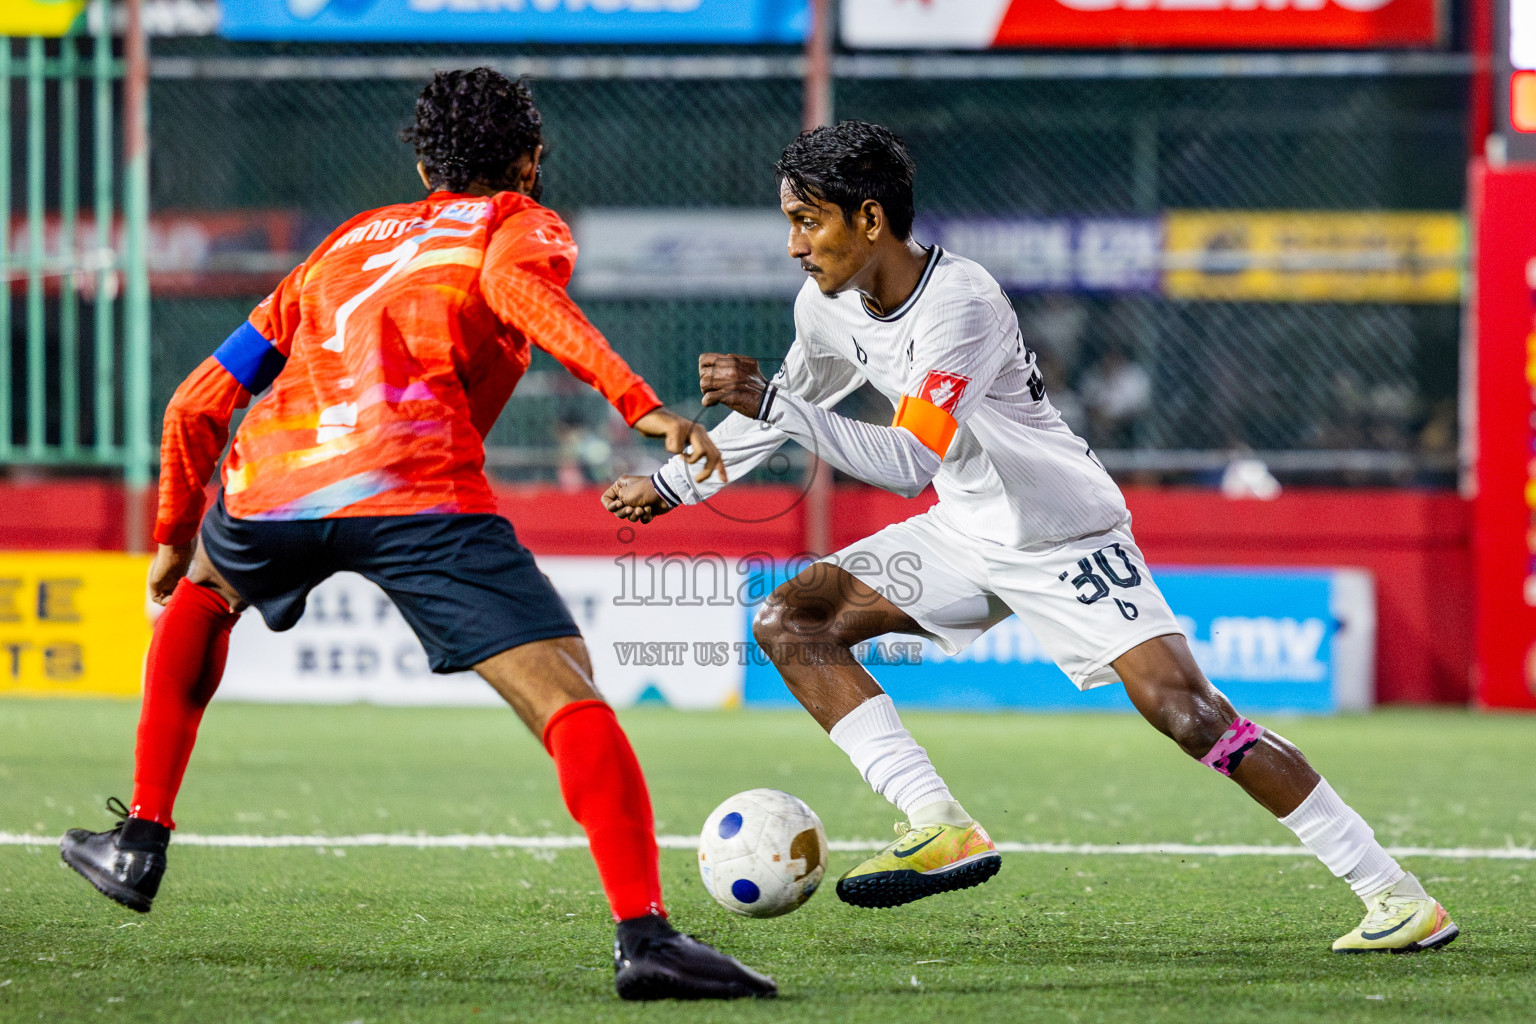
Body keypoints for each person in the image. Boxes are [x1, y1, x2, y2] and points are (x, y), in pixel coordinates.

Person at [602, 120, 1457, 955]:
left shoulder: (961, 305)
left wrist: (776, 407)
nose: (794, 244)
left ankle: (1394, 894)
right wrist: (674, 485)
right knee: (793, 621)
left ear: (869, 218)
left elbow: (902, 460)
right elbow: (787, 405)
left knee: (1187, 713)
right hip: (964, 527)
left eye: (807, 219)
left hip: (1064, 534)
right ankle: (938, 823)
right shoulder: (826, 305)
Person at [59, 68, 774, 1002]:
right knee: (566, 694)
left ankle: (139, 843)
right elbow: (523, 296)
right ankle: (645, 937)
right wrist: (637, 403)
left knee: (200, 589)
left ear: (427, 160)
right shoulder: (516, 221)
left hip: (272, 483)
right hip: (414, 483)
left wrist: (168, 530)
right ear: (529, 157)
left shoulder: (342, 245)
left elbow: (200, 398)